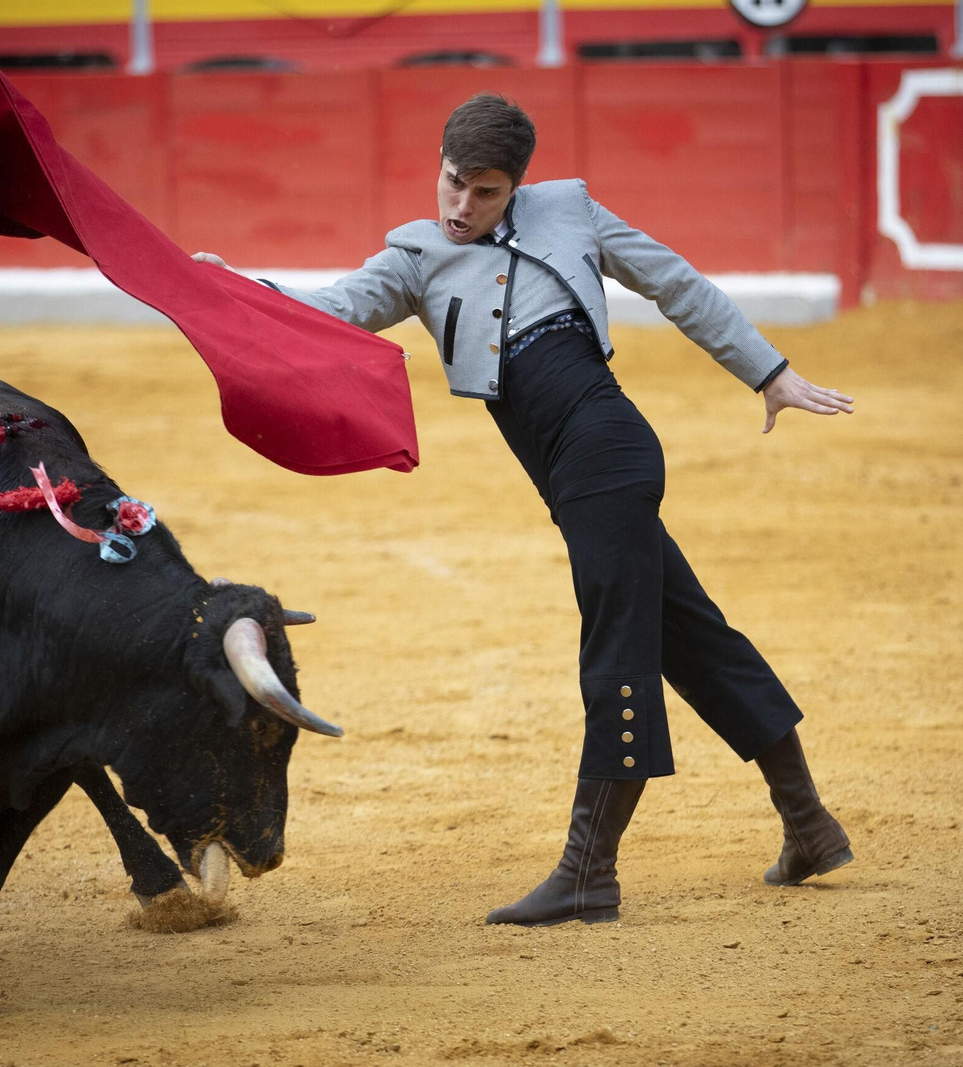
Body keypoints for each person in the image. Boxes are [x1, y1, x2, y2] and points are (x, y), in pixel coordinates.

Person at [194, 93, 854, 927]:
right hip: (574, 473)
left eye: (486, 193)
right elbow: (329, 308)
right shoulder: (416, 255)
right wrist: (226, 289)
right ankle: (809, 824)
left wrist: (769, 371)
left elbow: (674, 281)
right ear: (438, 164)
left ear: (518, 187)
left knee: (614, 653)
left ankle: (589, 872)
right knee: (691, 636)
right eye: (452, 184)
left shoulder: (570, 209)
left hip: (609, 451)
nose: (462, 208)